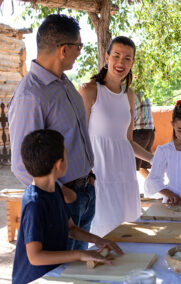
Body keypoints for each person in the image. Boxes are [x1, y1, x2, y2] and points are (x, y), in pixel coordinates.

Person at [8, 14, 95, 250]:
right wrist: (60, 192)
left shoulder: (64, 83)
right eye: (79, 46)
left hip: (84, 192)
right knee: (64, 273)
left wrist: (89, 178)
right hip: (62, 200)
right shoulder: (30, 96)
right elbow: (20, 164)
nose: (80, 51)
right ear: (64, 50)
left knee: (80, 272)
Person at [12, 129, 122, 284]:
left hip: (54, 273)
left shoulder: (55, 189)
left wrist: (98, 240)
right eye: (66, 154)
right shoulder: (34, 203)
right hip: (35, 279)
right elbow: (35, 257)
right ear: (58, 164)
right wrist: (79, 254)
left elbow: (71, 229)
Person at [80, 36, 153, 237]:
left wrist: (155, 159)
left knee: (126, 233)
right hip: (99, 174)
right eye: (116, 56)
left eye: (127, 58)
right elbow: (80, 139)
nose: (121, 63)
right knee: (102, 233)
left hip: (124, 174)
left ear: (132, 63)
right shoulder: (89, 91)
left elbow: (127, 141)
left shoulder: (129, 95)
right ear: (107, 57)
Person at [132, 91, 156, 178]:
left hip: (139, 132)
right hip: (150, 131)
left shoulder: (128, 93)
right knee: (142, 166)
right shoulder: (141, 91)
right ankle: (156, 188)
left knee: (131, 167)